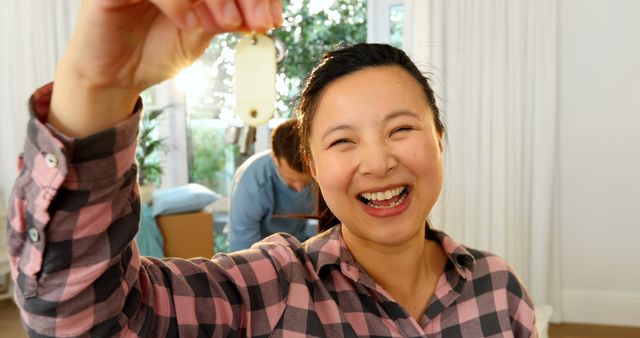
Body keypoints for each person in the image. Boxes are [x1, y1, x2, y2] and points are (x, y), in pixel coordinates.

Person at [7, 1, 537, 336]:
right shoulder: (274, 288)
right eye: (343, 140)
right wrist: (97, 85)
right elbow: (80, 317)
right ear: (314, 167)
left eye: (401, 129)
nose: (378, 161)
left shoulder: (499, 288)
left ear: (439, 141)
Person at [227, 118, 315, 251]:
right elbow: (242, 249)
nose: (300, 189)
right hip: (259, 255)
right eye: (291, 180)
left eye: (307, 181)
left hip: (298, 246)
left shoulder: (322, 171)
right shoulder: (251, 184)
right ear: (275, 158)